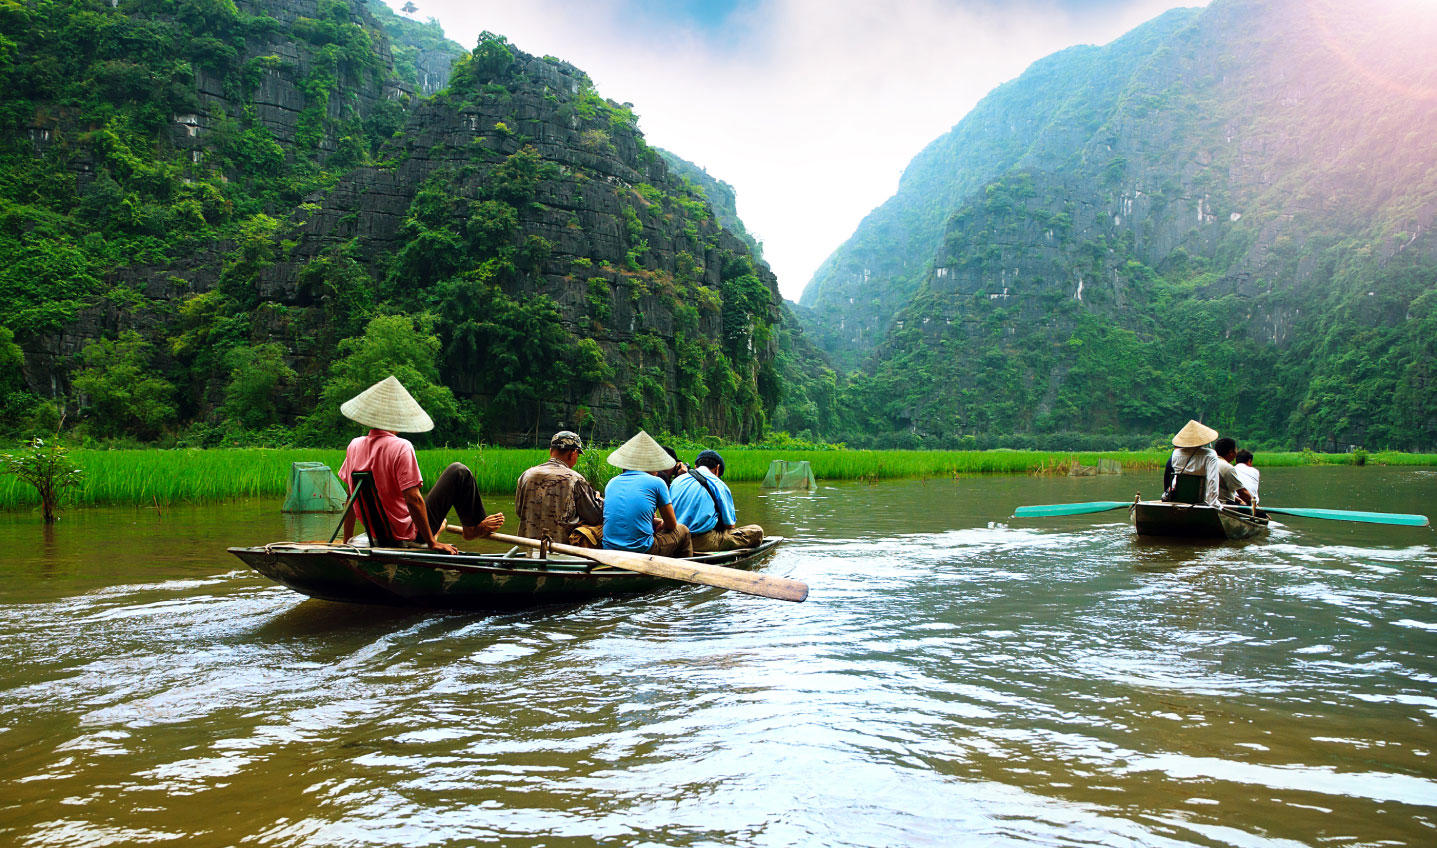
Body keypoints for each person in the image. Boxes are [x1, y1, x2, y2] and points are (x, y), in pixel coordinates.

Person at [337, 376, 503, 553]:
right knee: (458, 471)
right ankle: (472, 529)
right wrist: (432, 543)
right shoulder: (401, 446)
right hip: (406, 535)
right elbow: (413, 499)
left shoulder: (354, 445)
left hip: (376, 534)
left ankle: (438, 528)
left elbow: (350, 498)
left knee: (441, 522)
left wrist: (347, 541)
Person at [601, 431, 692, 558]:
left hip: (609, 549)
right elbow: (671, 524)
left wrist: (653, 521)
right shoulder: (657, 483)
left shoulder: (612, 482)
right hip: (641, 551)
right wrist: (662, 524)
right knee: (683, 530)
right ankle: (685, 573)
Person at [514, 430, 604, 547]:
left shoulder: (526, 475)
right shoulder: (574, 479)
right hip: (561, 550)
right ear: (572, 453)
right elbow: (595, 516)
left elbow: (519, 511)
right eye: (577, 454)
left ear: (551, 451)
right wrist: (597, 498)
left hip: (527, 547)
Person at [670, 449, 764, 551]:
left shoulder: (676, 481)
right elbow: (730, 525)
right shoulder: (718, 484)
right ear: (717, 469)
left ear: (696, 466)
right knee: (757, 531)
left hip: (676, 539)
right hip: (701, 542)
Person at [1163, 419, 1249, 507]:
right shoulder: (1209, 454)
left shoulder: (1176, 453)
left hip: (1179, 498)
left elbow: (1173, 478)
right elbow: (1212, 480)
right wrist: (1214, 504)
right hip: (1200, 500)